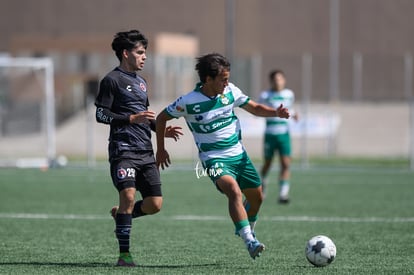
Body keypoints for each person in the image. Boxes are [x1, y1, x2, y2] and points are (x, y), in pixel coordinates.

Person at [155, 53, 290, 259]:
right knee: (234, 191)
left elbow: (254, 107)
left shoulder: (230, 91)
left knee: (257, 198)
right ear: (208, 79)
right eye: (223, 79)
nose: (227, 83)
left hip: (239, 155)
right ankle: (249, 240)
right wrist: (161, 149)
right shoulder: (188, 102)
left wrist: (275, 113)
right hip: (213, 159)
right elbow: (161, 118)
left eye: (228, 78)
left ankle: (246, 225)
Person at [94, 29, 183, 267]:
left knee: (155, 204)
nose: (144, 57)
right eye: (140, 52)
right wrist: (129, 119)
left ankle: (122, 216)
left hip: (145, 152)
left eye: (145, 52)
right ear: (126, 54)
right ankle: (124, 256)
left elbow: (145, 116)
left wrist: (161, 130)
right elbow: (101, 114)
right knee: (128, 195)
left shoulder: (142, 82)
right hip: (123, 150)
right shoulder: (111, 80)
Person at [258, 69, 298, 203]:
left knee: (286, 163)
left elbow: (290, 108)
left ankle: (283, 194)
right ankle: (262, 183)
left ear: (284, 80)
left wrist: (294, 113)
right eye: (275, 79)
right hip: (270, 134)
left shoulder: (289, 94)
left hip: (284, 134)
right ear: (271, 81)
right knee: (268, 163)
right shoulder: (265, 95)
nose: (278, 82)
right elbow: (260, 110)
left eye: (280, 79)